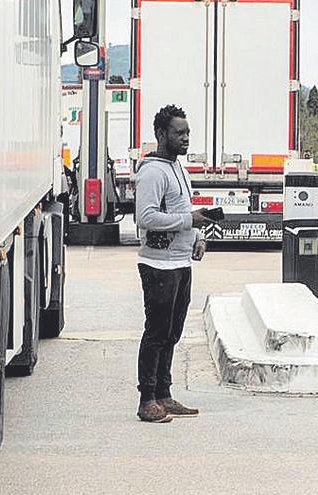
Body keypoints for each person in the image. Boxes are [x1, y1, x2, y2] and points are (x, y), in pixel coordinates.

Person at [134, 105, 211, 423]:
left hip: (180, 263)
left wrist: (197, 235)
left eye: (188, 133)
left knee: (172, 333)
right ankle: (147, 399)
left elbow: (183, 209)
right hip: (159, 266)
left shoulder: (177, 167)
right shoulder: (153, 171)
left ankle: (164, 394)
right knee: (156, 332)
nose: (185, 139)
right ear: (160, 134)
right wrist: (187, 220)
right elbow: (146, 216)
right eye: (179, 133)